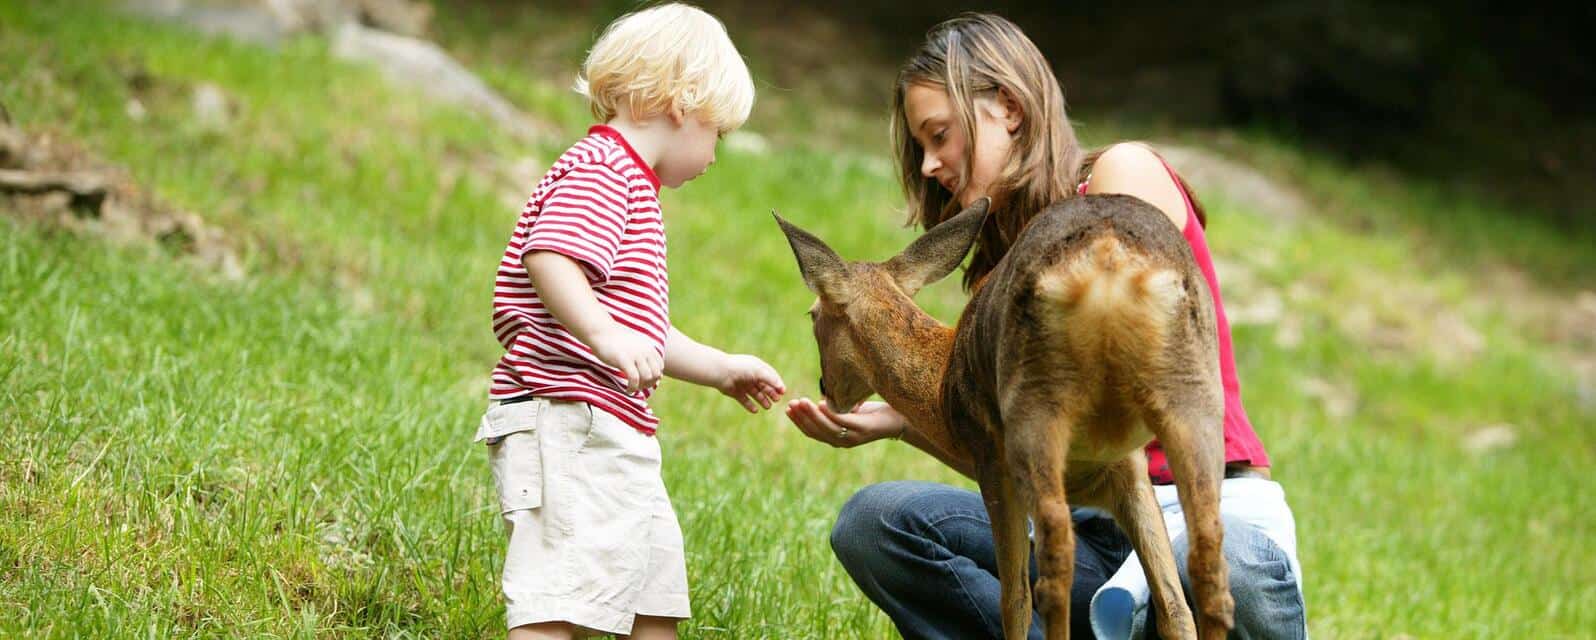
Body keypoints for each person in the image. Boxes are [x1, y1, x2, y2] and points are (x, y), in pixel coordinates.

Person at [783, 13, 1306, 640]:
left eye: (939, 135)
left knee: (1235, 567)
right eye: (921, 148)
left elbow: (1117, 385)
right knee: (879, 522)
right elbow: (1019, 457)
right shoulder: (1000, 282)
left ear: (1007, 106)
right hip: (1087, 539)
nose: (929, 165)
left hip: (1201, 514)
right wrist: (906, 419)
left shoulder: (1120, 180)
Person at [477, 5, 786, 638]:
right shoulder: (603, 169)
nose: (715, 154)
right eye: (717, 133)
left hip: (614, 433)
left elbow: (646, 334)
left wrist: (722, 369)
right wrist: (604, 334)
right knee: (557, 598)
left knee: (655, 602)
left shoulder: (631, 186)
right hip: (566, 421)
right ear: (681, 104)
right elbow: (551, 255)